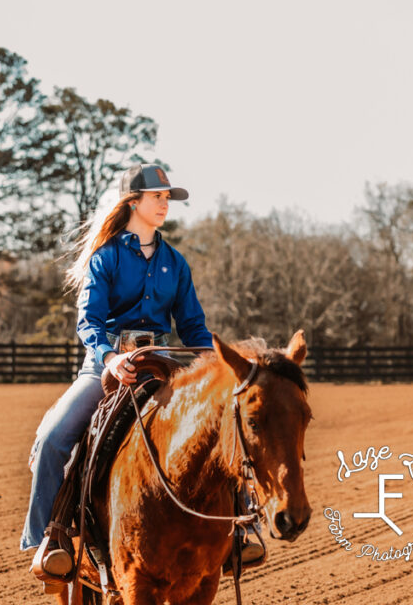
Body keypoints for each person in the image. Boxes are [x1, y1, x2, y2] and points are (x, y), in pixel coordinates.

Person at [20, 163, 263, 580]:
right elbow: (88, 324)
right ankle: (50, 537)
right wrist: (111, 357)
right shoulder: (105, 258)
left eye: (168, 197)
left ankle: (243, 527)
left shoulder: (176, 263)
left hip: (164, 366)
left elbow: (191, 328)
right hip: (106, 369)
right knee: (52, 437)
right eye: (158, 196)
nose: (165, 204)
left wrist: (221, 367)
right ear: (133, 201)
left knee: (224, 425)